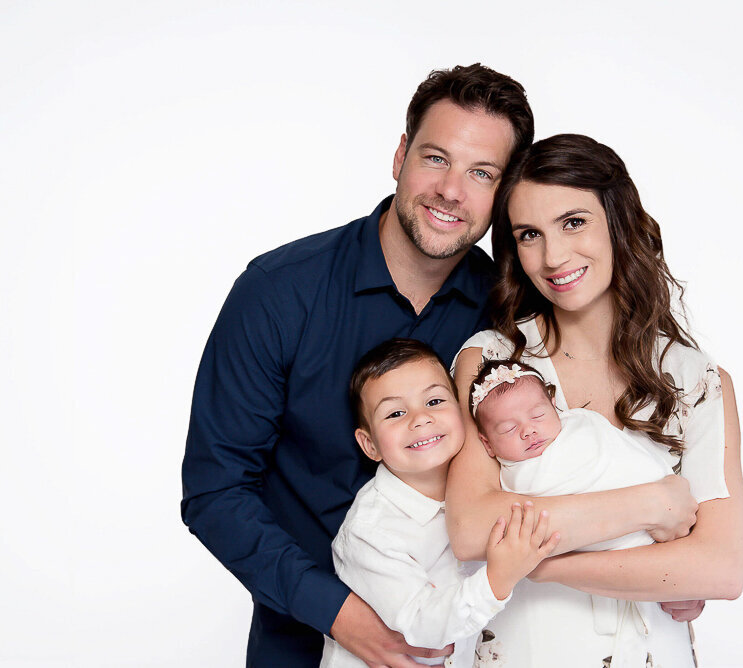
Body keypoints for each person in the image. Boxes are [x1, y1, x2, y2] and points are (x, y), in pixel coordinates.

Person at [180, 64, 538, 668]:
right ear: (399, 155)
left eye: (482, 173)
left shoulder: (511, 307)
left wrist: (649, 567)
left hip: (475, 642)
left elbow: (560, 442)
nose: (452, 190)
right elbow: (216, 491)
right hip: (300, 643)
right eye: (435, 158)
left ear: (503, 194)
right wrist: (341, 615)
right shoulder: (277, 292)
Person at [448, 134, 743, 667]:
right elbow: (471, 528)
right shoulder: (492, 362)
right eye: (529, 234)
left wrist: (535, 563)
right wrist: (652, 507)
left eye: (573, 222)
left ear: (618, 220)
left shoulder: (697, 381)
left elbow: (720, 568)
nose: (554, 255)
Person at [321, 339, 558, 668]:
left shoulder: (490, 483)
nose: (420, 419)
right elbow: (422, 624)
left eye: (434, 401)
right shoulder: (370, 532)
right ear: (369, 443)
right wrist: (496, 579)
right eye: (396, 413)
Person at [470, 358, 676, 552]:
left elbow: (618, 448)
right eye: (509, 429)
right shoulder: (520, 479)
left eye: (538, 415)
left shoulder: (579, 422)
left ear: (553, 405)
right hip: (625, 544)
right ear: (487, 444)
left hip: (663, 500)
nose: (528, 430)